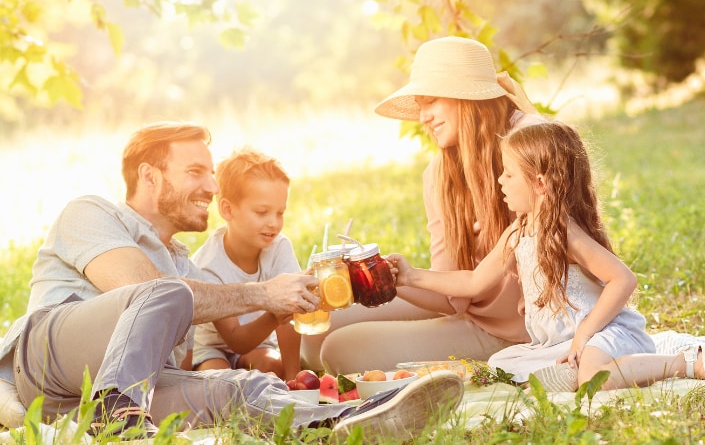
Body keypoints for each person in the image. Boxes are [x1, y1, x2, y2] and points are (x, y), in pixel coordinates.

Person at [0, 122, 462, 442]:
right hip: (45, 362)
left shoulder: (189, 270)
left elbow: (178, 354)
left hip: (99, 402)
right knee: (164, 292)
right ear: (148, 175)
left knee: (243, 388)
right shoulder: (91, 212)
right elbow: (139, 291)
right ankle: (118, 418)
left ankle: (355, 420)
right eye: (196, 171)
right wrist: (263, 293)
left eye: (211, 171)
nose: (212, 185)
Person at [387, 122, 705, 391]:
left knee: (592, 378)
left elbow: (623, 279)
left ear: (539, 183)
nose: (500, 180)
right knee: (503, 364)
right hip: (563, 341)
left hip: (604, 331)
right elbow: (474, 281)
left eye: (509, 173)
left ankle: (681, 363)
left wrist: (585, 333)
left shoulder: (563, 232)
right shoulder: (518, 232)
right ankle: (598, 365)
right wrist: (410, 275)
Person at [308, 36, 545, 374]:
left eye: (431, 101)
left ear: (465, 95)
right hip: (470, 308)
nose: (423, 117)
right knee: (318, 332)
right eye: (420, 105)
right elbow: (451, 295)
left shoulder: (532, 140)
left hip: (521, 329)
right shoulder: (439, 174)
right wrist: (395, 279)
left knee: (340, 350)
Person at [189, 149, 302, 381]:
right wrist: (274, 314)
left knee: (274, 369)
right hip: (212, 347)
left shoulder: (279, 248)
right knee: (221, 383)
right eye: (262, 212)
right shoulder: (207, 266)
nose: (273, 223)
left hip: (258, 343)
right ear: (227, 210)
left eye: (280, 213)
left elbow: (289, 319)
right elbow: (236, 340)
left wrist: (294, 378)